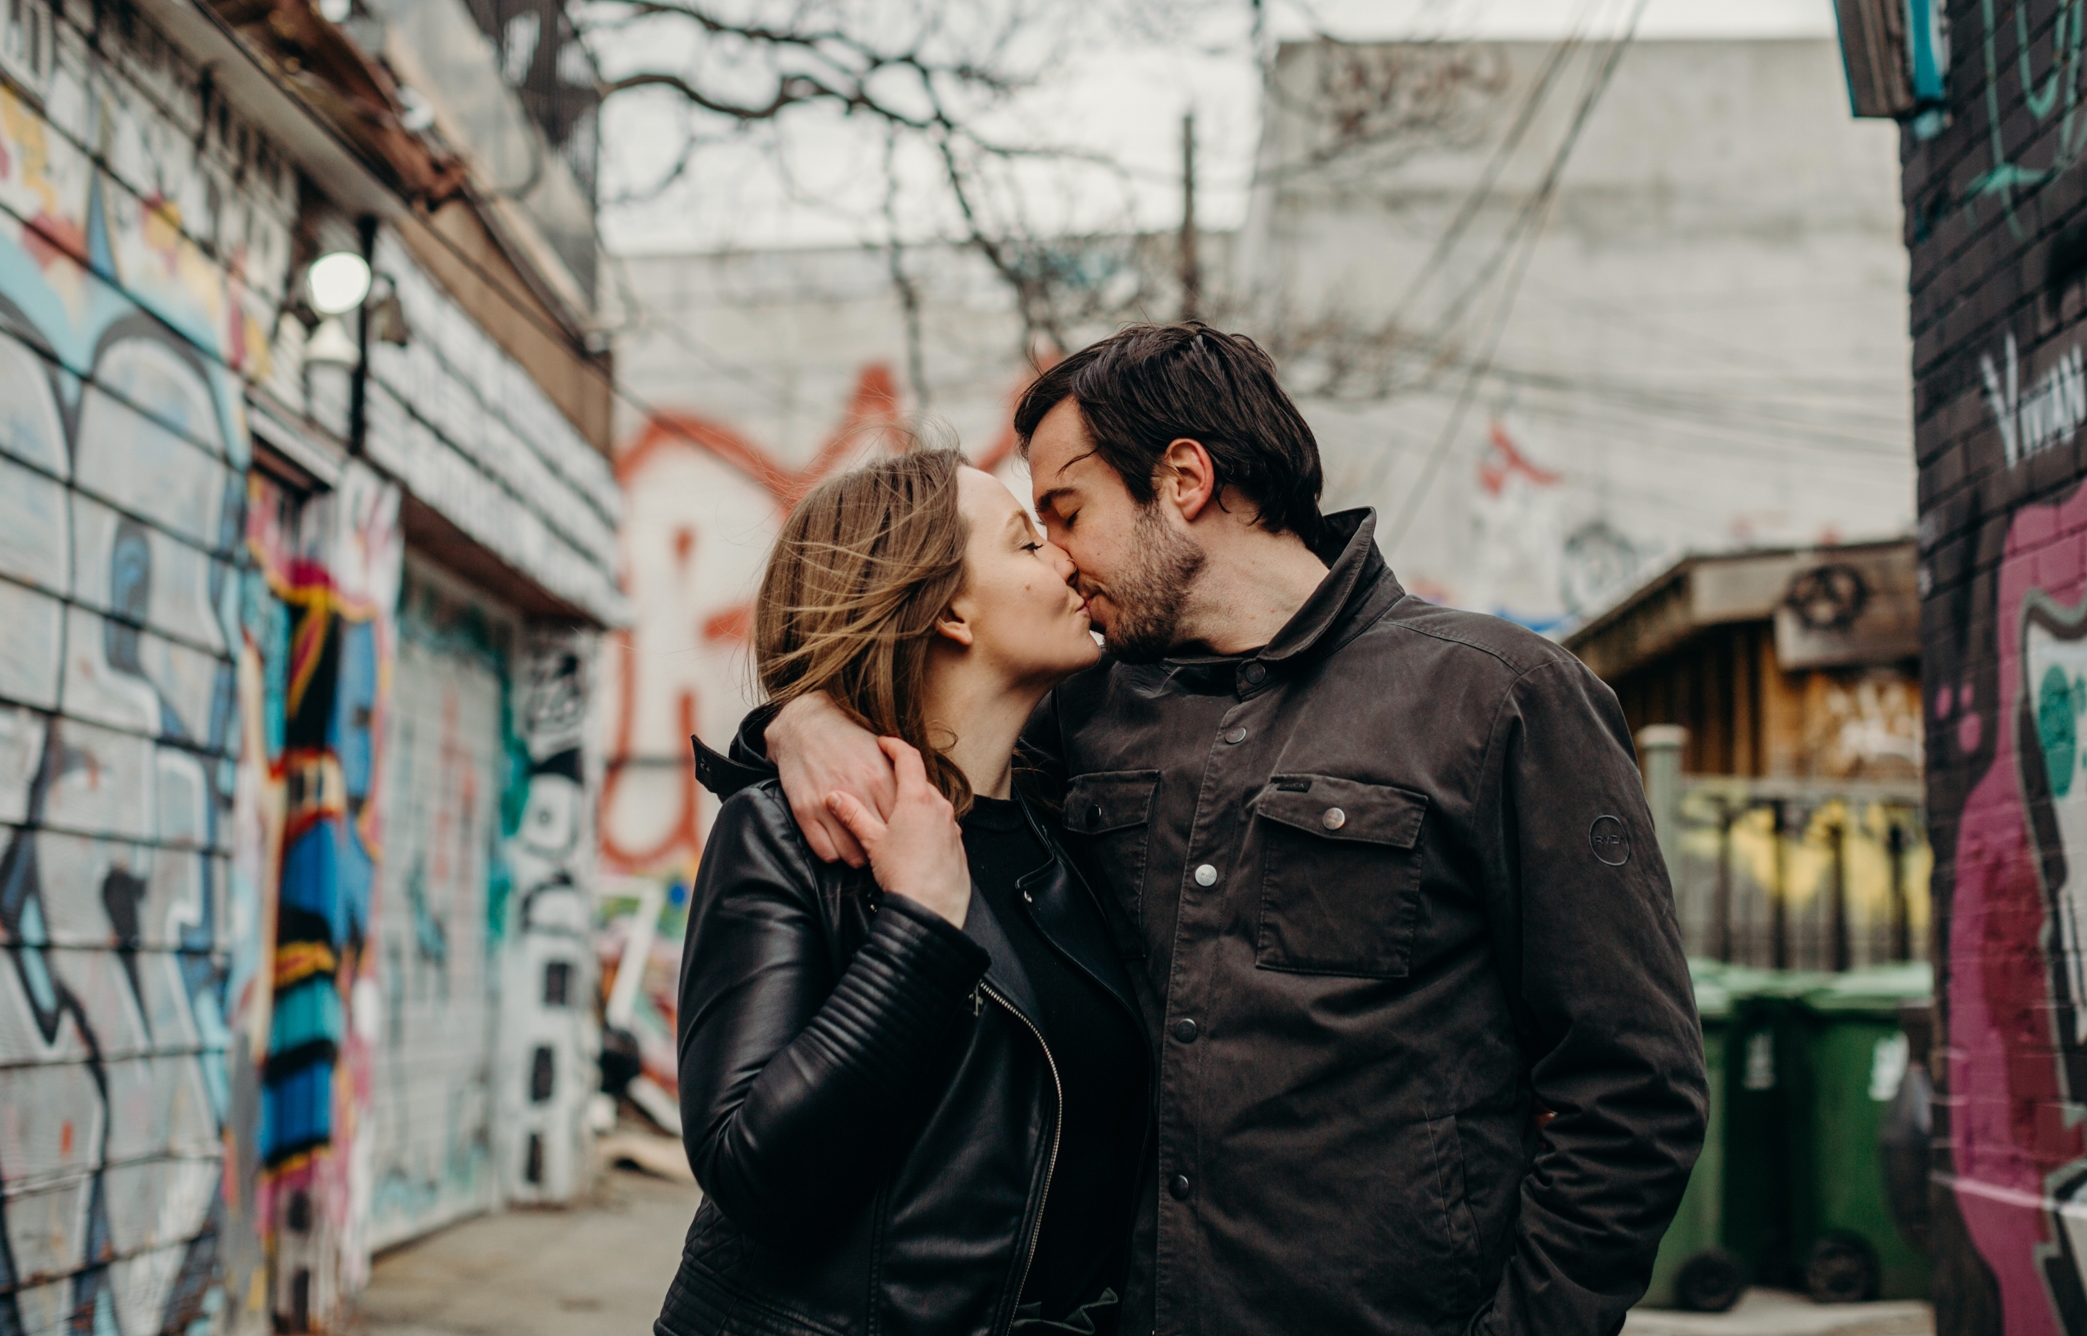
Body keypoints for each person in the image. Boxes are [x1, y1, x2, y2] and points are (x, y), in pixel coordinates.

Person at [756, 324, 1708, 1336]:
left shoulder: (1499, 697)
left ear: (1182, 479)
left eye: (1067, 513)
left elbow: (1634, 1086)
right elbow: (916, 701)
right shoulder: (1083, 709)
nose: (1062, 563)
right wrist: (800, 718)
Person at [660, 448, 1152, 1336]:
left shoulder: (1067, 842)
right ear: (951, 612)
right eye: (1024, 544)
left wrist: (794, 713)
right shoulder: (792, 837)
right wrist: (919, 928)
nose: (1065, 560)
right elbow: (750, 1171)